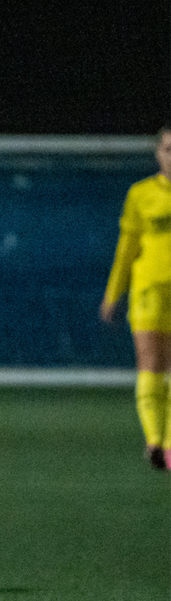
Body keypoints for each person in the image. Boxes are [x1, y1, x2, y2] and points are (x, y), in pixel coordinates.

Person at [100, 125, 171, 469]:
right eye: (168, 149)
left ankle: (170, 443)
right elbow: (127, 249)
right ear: (157, 153)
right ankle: (154, 440)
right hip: (148, 290)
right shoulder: (141, 194)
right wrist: (114, 292)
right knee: (150, 364)